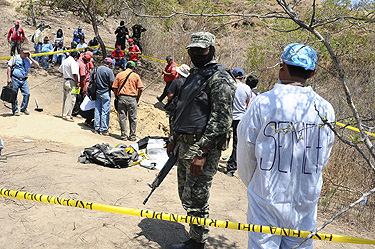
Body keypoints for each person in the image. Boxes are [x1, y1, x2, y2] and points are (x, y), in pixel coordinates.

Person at [237, 43, 335, 249]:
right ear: (313, 72)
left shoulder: (263, 103)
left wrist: (257, 185)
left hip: (266, 200)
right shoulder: (325, 109)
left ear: (281, 65)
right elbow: (323, 157)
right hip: (305, 203)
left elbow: (246, 152)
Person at [168, 32, 236, 249]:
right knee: (185, 195)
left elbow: (221, 119)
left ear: (212, 49)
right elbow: (182, 110)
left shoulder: (220, 77)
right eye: (193, 50)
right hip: (184, 144)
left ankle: (197, 242)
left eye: (202, 50)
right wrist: (173, 138)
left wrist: (202, 151)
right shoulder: (195, 75)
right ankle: (194, 236)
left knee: (197, 197)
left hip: (201, 148)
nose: (196, 53)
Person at [223, 67, 253, 177]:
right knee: (236, 143)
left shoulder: (228, 85)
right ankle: (231, 168)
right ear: (243, 77)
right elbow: (247, 103)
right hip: (240, 118)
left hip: (227, 116)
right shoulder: (247, 88)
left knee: (219, 138)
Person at [112, 61, 143, 141]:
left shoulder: (119, 74)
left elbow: (114, 87)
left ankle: (123, 136)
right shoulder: (136, 76)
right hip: (132, 98)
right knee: (133, 118)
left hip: (121, 97)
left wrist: (116, 96)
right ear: (133, 67)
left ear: (126, 66)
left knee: (122, 117)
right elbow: (140, 88)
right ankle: (132, 136)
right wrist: (137, 98)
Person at [6, 47, 39, 116]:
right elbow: (9, 67)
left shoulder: (28, 60)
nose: (26, 55)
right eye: (24, 53)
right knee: (14, 95)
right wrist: (9, 78)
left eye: (27, 53)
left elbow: (37, 65)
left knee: (27, 94)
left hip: (24, 80)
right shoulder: (15, 58)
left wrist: (30, 58)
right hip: (15, 78)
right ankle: (15, 110)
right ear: (21, 52)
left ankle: (23, 108)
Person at [90, 58, 115, 135]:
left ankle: (96, 128)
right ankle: (103, 129)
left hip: (97, 92)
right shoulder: (109, 71)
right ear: (109, 64)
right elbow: (112, 83)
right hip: (106, 92)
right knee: (105, 111)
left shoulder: (95, 69)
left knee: (97, 110)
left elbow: (91, 80)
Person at [164, 64, 190, 132]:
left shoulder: (176, 82)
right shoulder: (190, 83)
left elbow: (170, 95)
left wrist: (169, 101)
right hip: (185, 107)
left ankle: (172, 140)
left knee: (173, 124)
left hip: (175, 106)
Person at [58, 51, 80, 122]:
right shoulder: (73, 62)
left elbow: (60, 70)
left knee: (66, 98)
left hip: (65, 80)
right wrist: (77, 83)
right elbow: (75, 74)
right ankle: (67, 115)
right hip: (71, 81)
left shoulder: (65, 61)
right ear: (75, 57)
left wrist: (65, 75)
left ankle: (64, 113)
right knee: (71, 98)